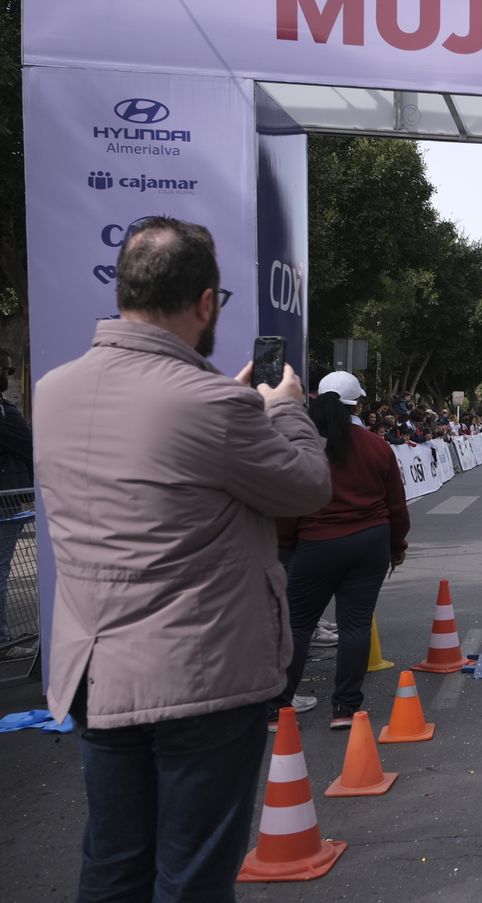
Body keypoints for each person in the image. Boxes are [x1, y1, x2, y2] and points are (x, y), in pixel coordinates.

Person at [33, 217, 331, 900]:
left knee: (113, 865)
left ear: (123, 290)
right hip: (200, 677)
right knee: (192, 876)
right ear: (205, 303)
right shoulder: (215, 404)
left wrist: (231, 403)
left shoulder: (53, 390)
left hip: (96, 674)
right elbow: (308, 486)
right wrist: (285, 410)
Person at [273, 372, 411, 730]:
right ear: (358, 406)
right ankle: (345, 708)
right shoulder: (376, 446)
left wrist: (286, 548)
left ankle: (279, 707)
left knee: (297, 625)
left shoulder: (300, 446)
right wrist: (396, 546)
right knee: (356, 625)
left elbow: (287, 504)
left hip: (316, 544)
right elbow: (397, 505)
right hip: (370, 542)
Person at [0, 348, 31, 655]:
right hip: (5, 506)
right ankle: (2, 640)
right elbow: (31, 447)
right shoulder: (5, 413)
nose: (8, 376)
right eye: (7, 371)